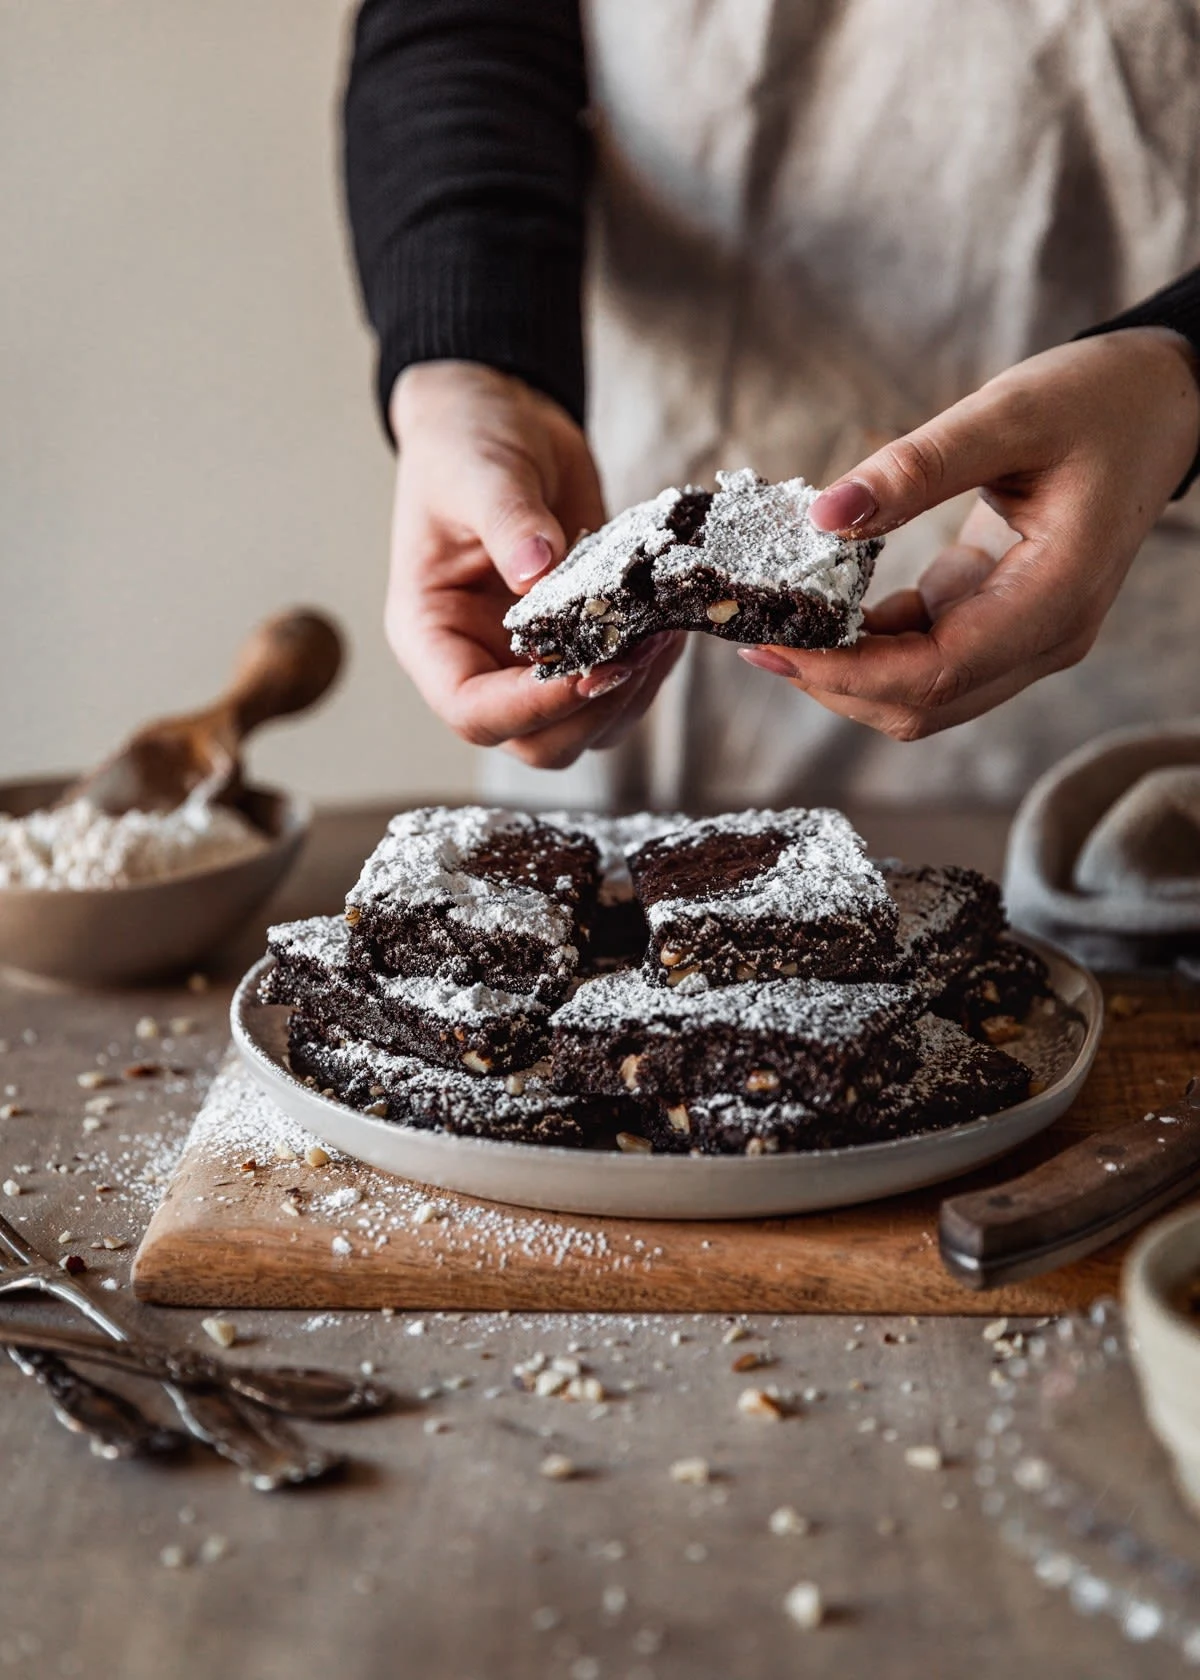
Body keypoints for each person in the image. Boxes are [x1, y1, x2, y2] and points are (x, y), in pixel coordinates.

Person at [342, 0, 1200, 814]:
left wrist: (1181, 361)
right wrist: (470, 365)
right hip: (622, 507)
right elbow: (463, 27)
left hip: (1120, 577)